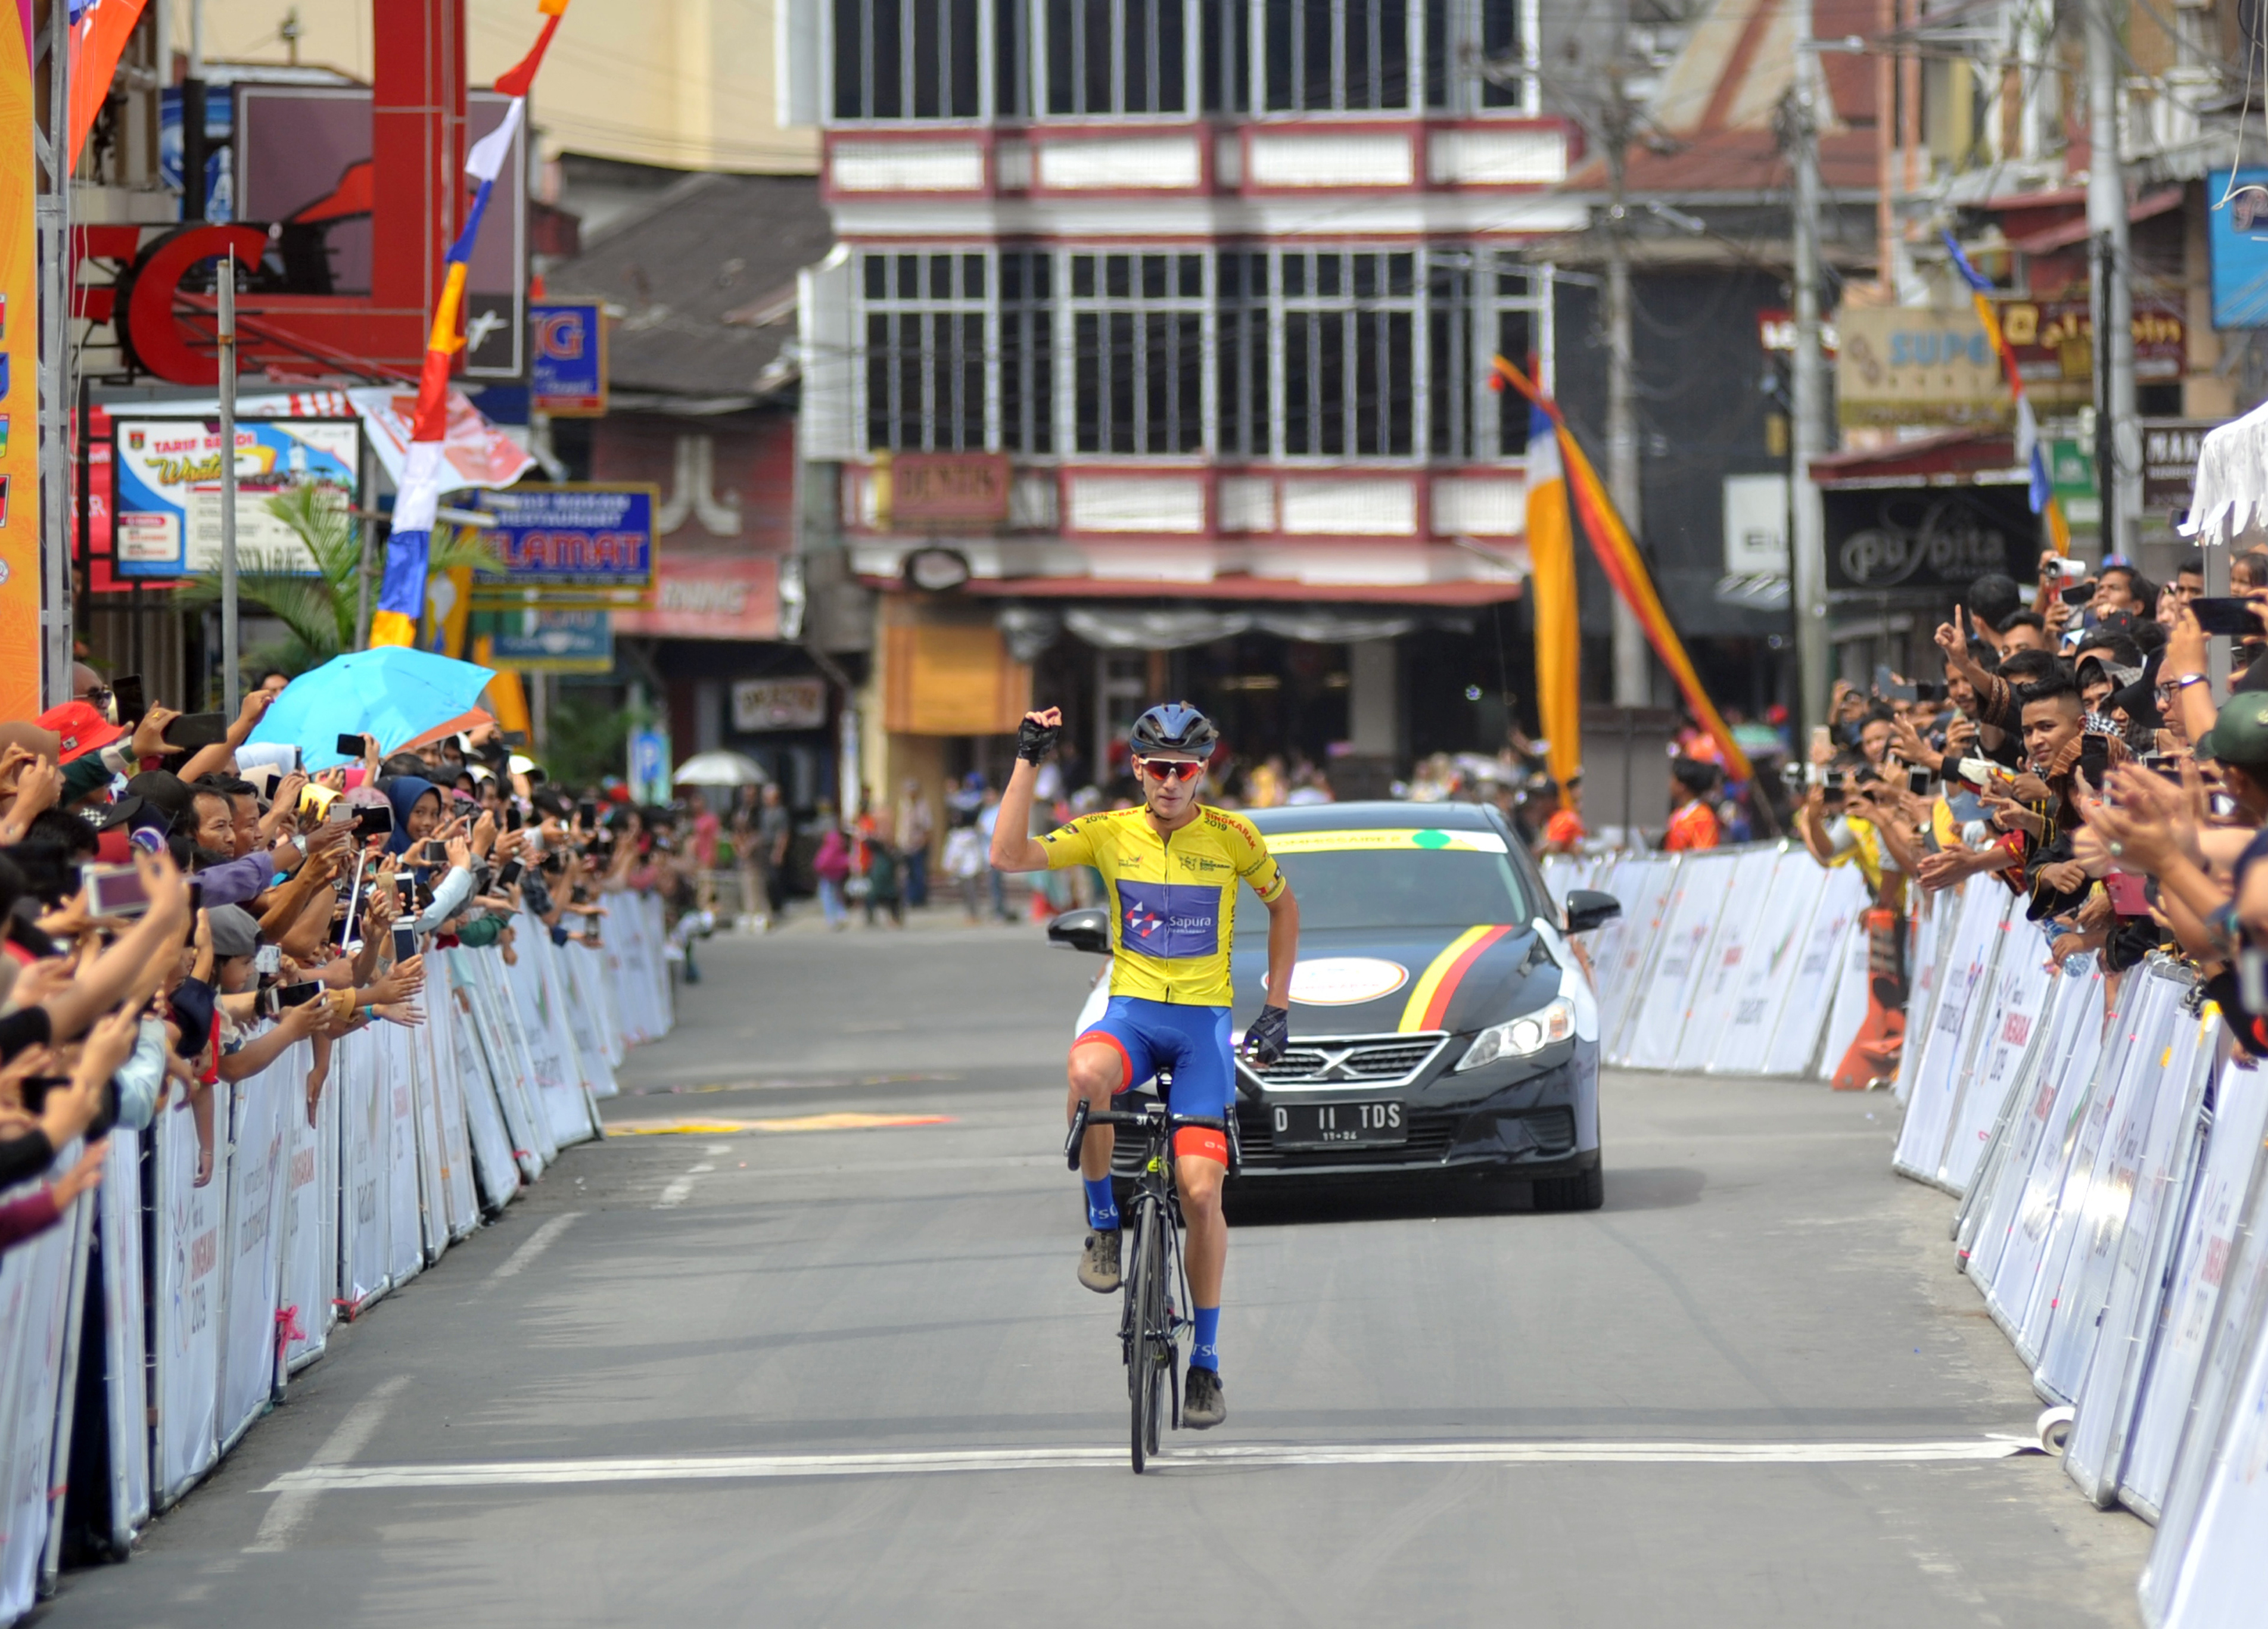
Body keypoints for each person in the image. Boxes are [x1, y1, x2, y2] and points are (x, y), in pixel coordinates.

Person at [990, 702, 1299, 1432]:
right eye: (1156, 768)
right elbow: (1008, 856)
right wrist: (1028, 757)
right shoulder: (1107, 832)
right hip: (1132, 1015)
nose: (1168, 782)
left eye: (1183, 770)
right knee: (1085, 1073)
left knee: (1199, 1192)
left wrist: (1277, 1007)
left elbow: (1285, 909)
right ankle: (1103, 1223)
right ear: (1137, 768)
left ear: (1203, 772)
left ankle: (1207, 1363)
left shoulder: (1233, 836)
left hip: (1202, 1032)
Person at [1665, 758, 1722, 850]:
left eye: (1673, 779)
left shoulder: (1703, 817)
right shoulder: (1678, 814)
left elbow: (1704, 853)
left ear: (1682, 786)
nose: (1670, 784)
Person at [896, 777, 935, 910]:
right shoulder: (904, 805)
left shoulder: (923, 806)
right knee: (908, 873)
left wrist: (924, 842)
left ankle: (919, 899)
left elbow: (928, 827)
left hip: (918, 844)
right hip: (906, 844)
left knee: (919, 873)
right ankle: (909, 898)